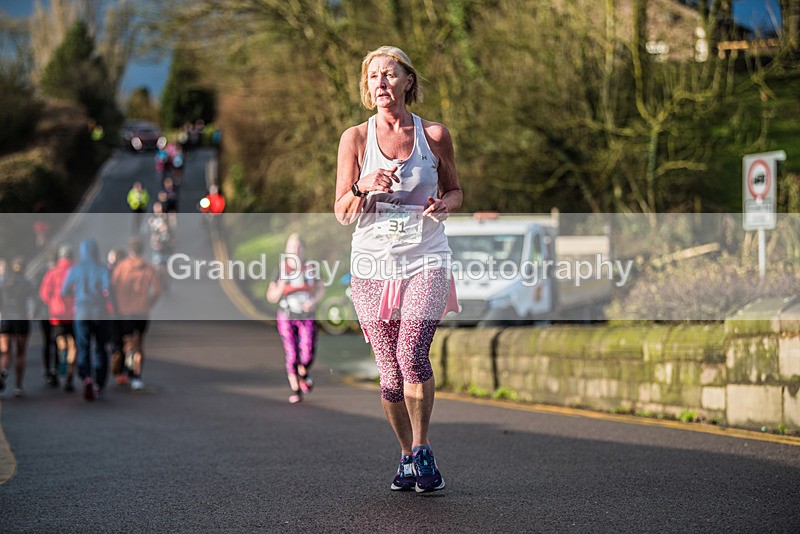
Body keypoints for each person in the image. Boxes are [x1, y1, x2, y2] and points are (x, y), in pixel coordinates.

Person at [334, 46, 462, 493]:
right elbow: (342, 212)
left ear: (408, 81)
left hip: (426, 257)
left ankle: (423, 449)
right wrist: (360, 184)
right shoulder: (355, 139)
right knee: (389, 374)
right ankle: (406, 454)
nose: (380, 82)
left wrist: (445, 204)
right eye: (373, 77)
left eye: (389, 74)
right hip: (371, 265)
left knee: (412, 354)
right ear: (367, 88)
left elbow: (456, 190)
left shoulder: (435, 135)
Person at [266, 234, 324, 404]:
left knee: (308, 353)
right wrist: (281, 286)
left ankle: (303, 372)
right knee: (292, 353)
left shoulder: (312, 268)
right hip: (287, 316)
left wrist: (313, 301)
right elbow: (271, 296)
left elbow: (321, 289)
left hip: (306, 316)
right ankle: (296, 390)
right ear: (286, 250)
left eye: (299, 247)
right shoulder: (280, 270)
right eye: (292, 247)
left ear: (304, 249)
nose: (295, 250)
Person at [61, 239, 111, 401]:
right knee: (100, 347)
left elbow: (64, 291)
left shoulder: (75, 269)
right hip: (99, 312)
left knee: (83, 346)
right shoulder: (102, 268)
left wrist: (77, 295)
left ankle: (87, 377)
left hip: (81, 311)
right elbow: (107, 289)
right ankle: (100, 384)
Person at [111, 237, 162, 391]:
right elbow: (158, 289)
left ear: (129, 249)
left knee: (129, 344)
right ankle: (137, 376)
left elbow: (112, 287)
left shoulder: (121, 267)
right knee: (139, 343)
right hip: (142, 310)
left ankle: (128, 372)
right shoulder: (148, 267)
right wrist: (149, 303)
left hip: (125, 310)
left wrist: (117, 305)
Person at [39, 244, 77, 392]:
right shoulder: (76, 271)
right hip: (74, 315)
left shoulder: (52, 273)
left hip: (56, 315)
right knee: (74, 345)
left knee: (60, 341)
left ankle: (62, 357)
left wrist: (54, 303)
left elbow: (44, 295)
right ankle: (70, 375)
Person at [0, 257, 35, 397]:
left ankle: (3, 371)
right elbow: (34, 301)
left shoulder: (4, 283)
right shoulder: (26, 283)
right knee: (21, 353)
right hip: (21, 319)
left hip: (6, 320)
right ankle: (18, 386)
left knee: (6, 351)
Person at [107, 247, 128, 385]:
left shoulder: (109, 273)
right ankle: (125, 371)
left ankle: (116, 361)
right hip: (127, 312)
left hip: (112, 312)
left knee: (115, 342)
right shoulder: (127, 273)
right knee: (126, 341)